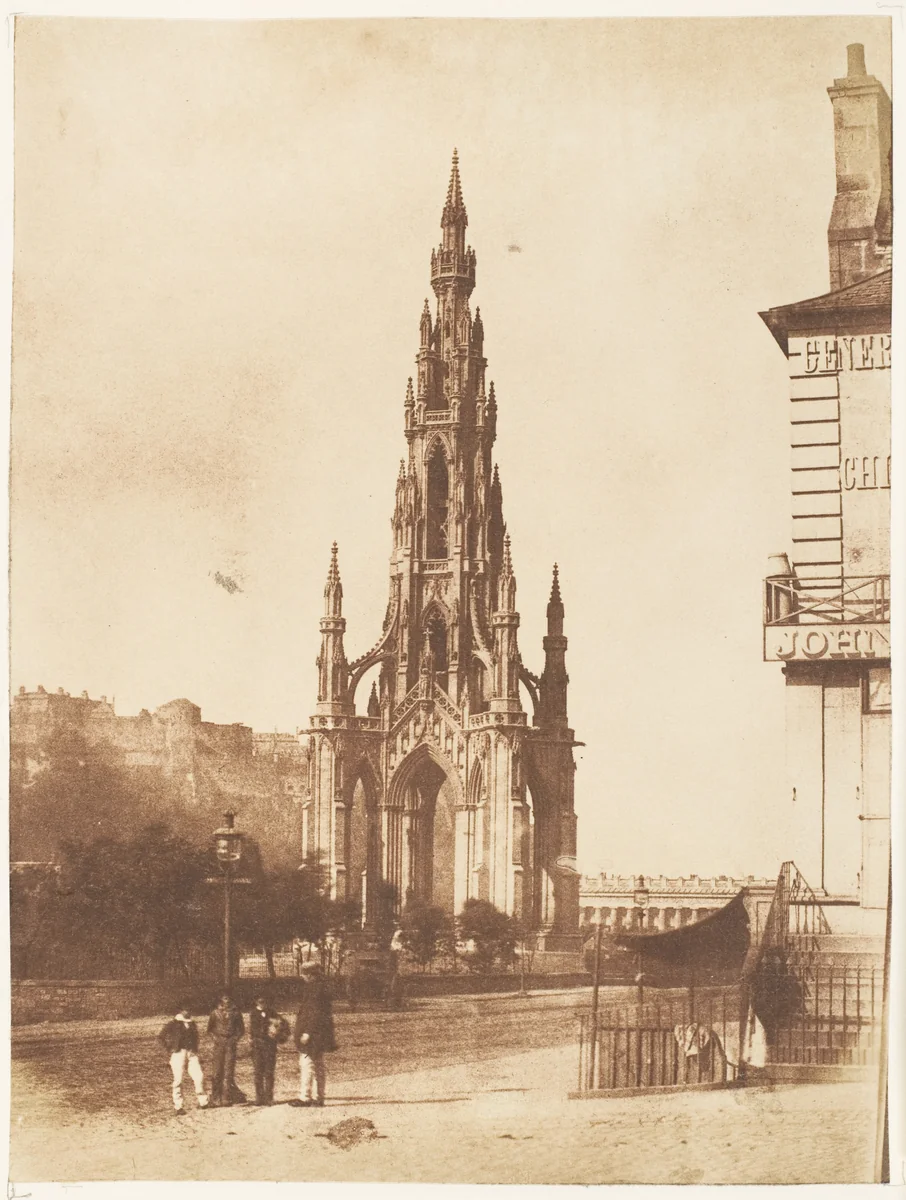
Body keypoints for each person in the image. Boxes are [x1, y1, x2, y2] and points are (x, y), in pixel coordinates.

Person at [292, 961, 337, 1107]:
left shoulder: (314, 989)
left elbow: (314, 1013)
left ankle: (305, 1097)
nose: (302, 976)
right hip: (320, 1033)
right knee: (318, 1065)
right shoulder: (322, 987)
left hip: (312, 1034)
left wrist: (307, 1032)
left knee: (307, 1064)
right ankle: (319, 1097)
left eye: (304, 974)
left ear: (311, 975)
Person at [157, 1001, 209, 1116]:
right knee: (178, 1080)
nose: (188, 1012)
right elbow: (161, 1037)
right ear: (180, 1011)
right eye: (185, 1009)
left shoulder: (192, 1023)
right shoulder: (173, 1023)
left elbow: (196, 1038)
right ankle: (178, 1106)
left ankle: (203, 1102)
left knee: (199, 1076)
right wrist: (170, 1048)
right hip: (178, 1053)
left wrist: (195, 1050)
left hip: (191, 1053)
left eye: (189, 1009)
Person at [207, 992, 245, 1106]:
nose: (226, 1001)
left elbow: (241, 1030)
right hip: (219, 1043)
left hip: (230, 1043)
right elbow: (210, 1030)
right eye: (224, 998)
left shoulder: (236, 1013)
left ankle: (226, 1097)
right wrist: (215, 1039)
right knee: (217, 1071)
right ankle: (215, 1098)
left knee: (228, 1071)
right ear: (221, 1000)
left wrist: (235, 1039)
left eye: (228, 998)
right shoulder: (215, 1013)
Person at [248, 993, 282, 1106]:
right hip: (258, 1045)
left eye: (264, 1001)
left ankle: (269, 1097)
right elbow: (252, 1030)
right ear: (256, 1002)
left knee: (269, 1071)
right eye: (260, 1002)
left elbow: (279, 1025)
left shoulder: (272, 1012)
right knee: (258, 1071)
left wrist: (275, 1032)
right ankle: (259, 1097)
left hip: (269, 1045)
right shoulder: (253, 1013)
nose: (262, 1004)